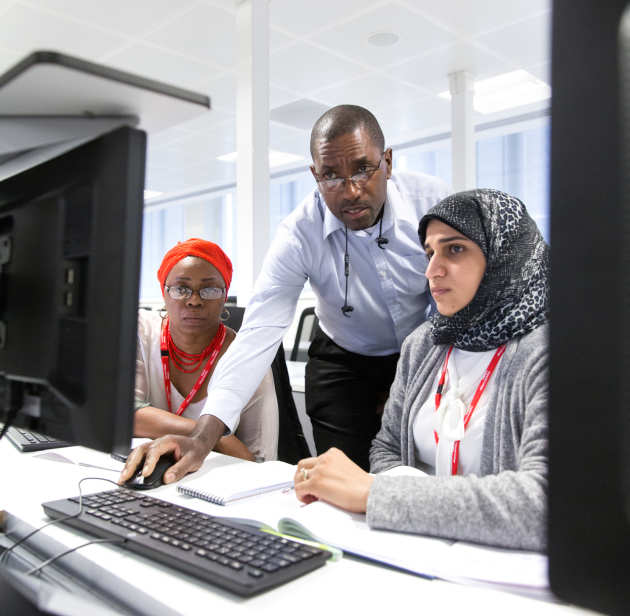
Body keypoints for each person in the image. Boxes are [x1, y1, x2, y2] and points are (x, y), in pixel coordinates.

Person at [120, 104, 448, 486]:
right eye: (331, 176)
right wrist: (201, 438)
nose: (350, 190)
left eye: (362, 168)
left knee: (422, 466)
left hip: (423, 351)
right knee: (343, 480)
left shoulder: (432, 203)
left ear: (387, 162)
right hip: (343, 360)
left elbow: (455, 301)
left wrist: (410, 379)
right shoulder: (299, 232)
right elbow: (258, 334)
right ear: (315, 175)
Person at [292, 189, 550, 551]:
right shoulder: (424, 344)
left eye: (454, 249)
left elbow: (545, 503)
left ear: (504, 254)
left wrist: (378, 495)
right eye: (429, 252)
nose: (432, 269)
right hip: (417, 551)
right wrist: (398, 497)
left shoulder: (551, 354)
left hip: (501, 572)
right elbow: (385, 449)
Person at [132, 238, 278, 463]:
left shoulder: (246, 358)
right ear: (164, 293)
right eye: (181, 289)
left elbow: (258, 460)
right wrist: (214, 438)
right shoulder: (140, 331)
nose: (194, 301)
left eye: (209, 290)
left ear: (224, 296)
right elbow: (125, 414)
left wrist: (205, 439)